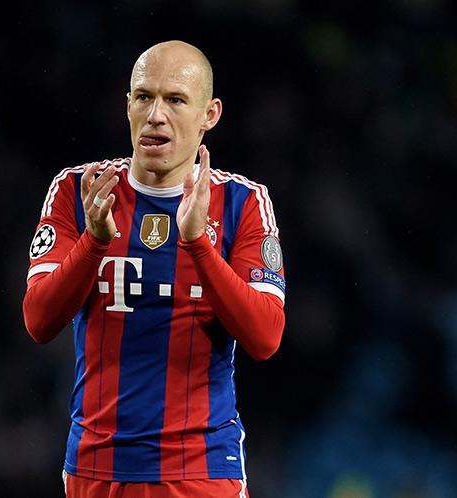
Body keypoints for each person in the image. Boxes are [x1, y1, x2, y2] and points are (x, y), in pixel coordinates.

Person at [22, 40, 286, 498]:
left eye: (176, 100)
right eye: (144, 97)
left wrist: (199, 245)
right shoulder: (79, 190)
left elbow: (265, 337)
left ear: (210, 114)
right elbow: (39, 321)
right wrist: (95, 241)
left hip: (201, 471)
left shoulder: (244, 202)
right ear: (127, 105)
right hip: (95, 468)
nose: (156, 114)